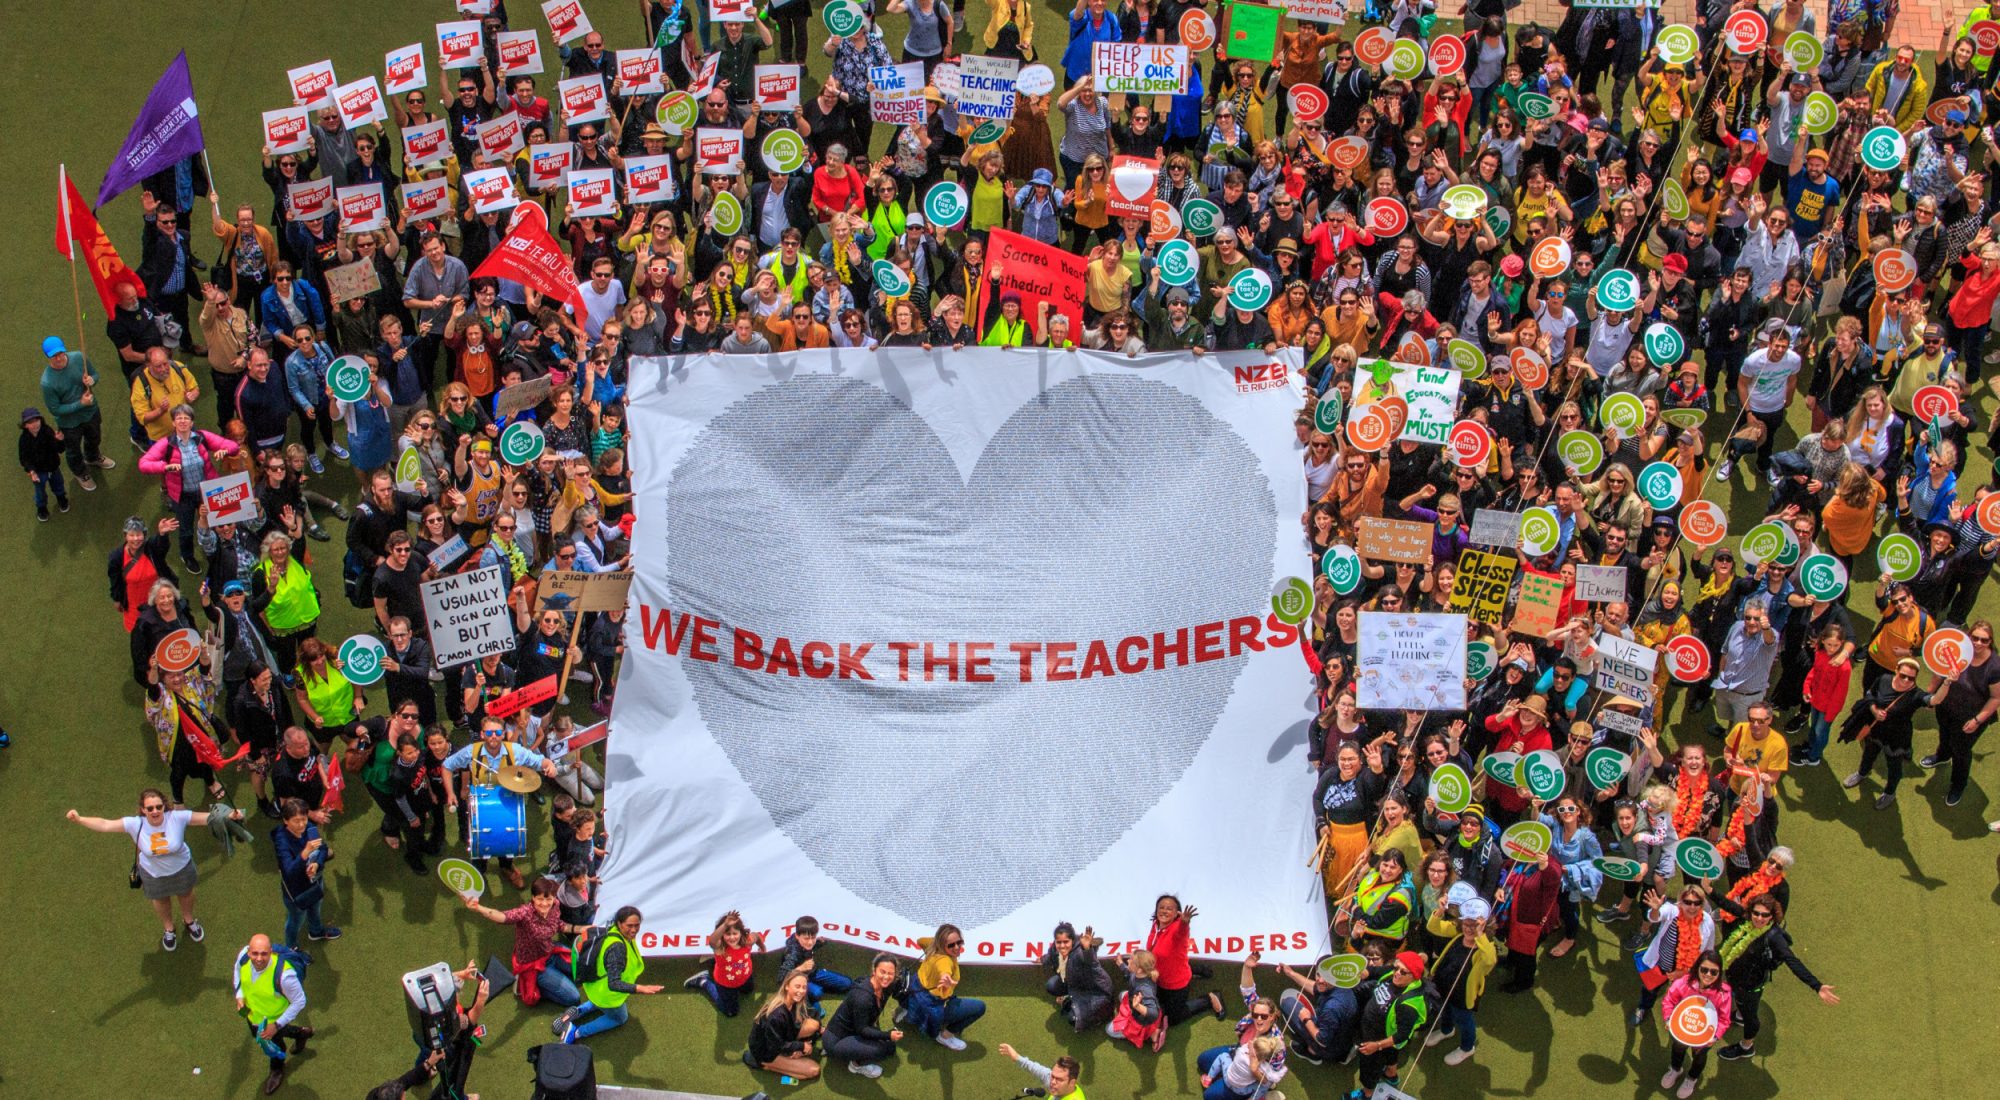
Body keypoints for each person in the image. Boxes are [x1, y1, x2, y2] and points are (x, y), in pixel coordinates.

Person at [65, 791, 239, 951]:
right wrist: (80, 819)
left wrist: (231, 814)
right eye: (150, 808)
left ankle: (189, 920)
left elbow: (207, 817)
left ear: (164, 806)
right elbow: (105, 825)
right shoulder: (135, 823)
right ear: (143, 809)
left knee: (186, 894)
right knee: (161, 901)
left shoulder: (176, 818)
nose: (155, 811)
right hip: (153, 874)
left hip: (182, 868)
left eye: (158, 807)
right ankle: (169, 928)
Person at [464, 877, 585, 1007]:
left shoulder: (555, 905)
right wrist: (479, 908)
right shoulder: (525, 913)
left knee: (582, 973)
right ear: (533, 898)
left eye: (548, 899)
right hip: (533, 964)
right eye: (540, 899)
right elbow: (502, 916)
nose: (544, 904)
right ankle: (532, 986)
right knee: (573, 998)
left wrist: (581, 929)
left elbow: (559, 925)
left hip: (550, 952)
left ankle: (552, 976)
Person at [555, 906, 666, 1041]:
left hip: (597, 987)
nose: (634, 930)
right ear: (619, 923)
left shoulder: (612, 931)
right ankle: (575, 1032)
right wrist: (640, 988)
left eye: (637, 925)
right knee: (619, 1018)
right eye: (629, 926)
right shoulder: (617, 949)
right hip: (607, 994)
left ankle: (578, 1011)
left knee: (597, 1002)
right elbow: (614, 984)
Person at [234, 933, 311, 1095]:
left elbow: (299, 1001)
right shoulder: (243, 958)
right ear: (248, 952)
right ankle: (301, 1033)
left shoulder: (284, 976)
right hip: (253, 1015)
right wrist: (239, 994)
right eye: (255, 953)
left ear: (271, 952)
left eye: (264, 954)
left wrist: (275, 1026)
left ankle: (277, 1069)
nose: (259, 958)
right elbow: (237, 973)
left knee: (275, 1046)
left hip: (274, 1020)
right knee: (261, 1034)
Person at [1351, 950, 1433, 1100]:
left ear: (1414, 976)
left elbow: (1401, 1036)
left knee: (1369, 1068)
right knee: (1391, 1055)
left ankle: (1366, 1094)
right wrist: (1365, 973)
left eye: (1403, 972)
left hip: (1378, 1040)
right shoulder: (1393, 974)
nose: (1397, 973)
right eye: (1396, 968)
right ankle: (1391, 1074)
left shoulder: (1408, 1004)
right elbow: (1375, 970)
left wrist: (1376, 1046)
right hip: (1381, 1035)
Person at [1659, 949, 1733, 1099]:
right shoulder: (1683, 983)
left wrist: (1715, 1037)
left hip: (1705, 1037)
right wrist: (1668, 1019)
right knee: (1678, 1048)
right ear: (1697, 968)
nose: (1708, 975)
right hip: (1681, 1031)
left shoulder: (1723, 993)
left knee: (1699, 1056)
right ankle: (1675, 1069)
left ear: (1719, 974)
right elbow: (1669, 1001)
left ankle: (1691, 1079)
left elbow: (1724, 1020)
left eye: (1714, 972)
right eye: (1704, 969)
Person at [823, 952, 905, 1079]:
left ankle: (855, 1051)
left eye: (890, 973)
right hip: (837, 1040)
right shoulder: (863, 998)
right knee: (880, 1050)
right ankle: (856, 1066)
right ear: (874, 970)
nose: (886, 977)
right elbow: (863, 1030)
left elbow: (903, 992)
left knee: (890, 1048)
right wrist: (888, 1035)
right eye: (882, 972)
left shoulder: (888, 986)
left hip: (855, 1029)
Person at [273, 797, 341, 949]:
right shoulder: (282, 841)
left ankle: (315, 931)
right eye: (296, 821)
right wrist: (305, 853)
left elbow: (323, 848)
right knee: (296, 920)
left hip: (314, 880)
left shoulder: (309, 828)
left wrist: (317, 863)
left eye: (303, 819)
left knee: (315, 907)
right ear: (285, 820)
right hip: (295, 890)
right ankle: (291, 948)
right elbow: (289, 871)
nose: (302, 824)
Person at [908, 922, 985, 1050]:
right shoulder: (945, 961)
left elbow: (920, 940)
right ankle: (945, 1036)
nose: (956, 947)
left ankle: (908, 1011)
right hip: (932, 1003)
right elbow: (944, 969)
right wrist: (945, 977)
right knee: (980, 1007)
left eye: (959, 942)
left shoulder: (931, 944)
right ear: (942, 945)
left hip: (915, 993)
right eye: (951, 945)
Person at [683, 909, 769, 1017]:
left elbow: (756, 936)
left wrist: (762, 947)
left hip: (746, 977)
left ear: (741, 932)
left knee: (748, 991)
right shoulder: (721, 948)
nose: (732, 937)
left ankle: (712, 962)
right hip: (726, 984)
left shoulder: (747, 941)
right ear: (722, 935)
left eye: (735, 933)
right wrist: (725, 925)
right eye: (728, 934)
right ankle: (704, 981)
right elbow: (712, 942)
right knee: (731, 1012)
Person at [746, 967, 824, 1080]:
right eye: (797, 986)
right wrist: (800, 1046)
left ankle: (787, 1056)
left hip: (782, 1036)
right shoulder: (776, 1015)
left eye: (804, 987)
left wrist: (816, 1033)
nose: (801, 991)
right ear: (787, 986)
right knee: (813, 1071)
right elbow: (776, 1045)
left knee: (814, 1025)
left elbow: (814, 1014)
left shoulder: (797, 999)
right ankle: (766, 1065)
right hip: (767, 1051)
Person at [1039, 921, 1114, 1032]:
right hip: (1076, 985)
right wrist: (1042, 959)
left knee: (1073, 1019)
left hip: (1096, 992)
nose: (1062, 946)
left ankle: (1102, 1015)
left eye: (1066, 942)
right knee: (1051, 986)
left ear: (1072, 941)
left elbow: (1089, 960)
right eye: (1058, 942)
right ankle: (1069, 1000)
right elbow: (1050, 956)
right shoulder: (1055, 949)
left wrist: (1087, 949)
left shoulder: (1081, 952)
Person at [997, 1042, 1084, 1099]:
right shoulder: (1059, 1086)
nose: (1052, 1082)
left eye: (1059, 1079)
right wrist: (1017, 1058)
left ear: (1072, 1082)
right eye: (1053, 1076)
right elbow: (1041, 1072)